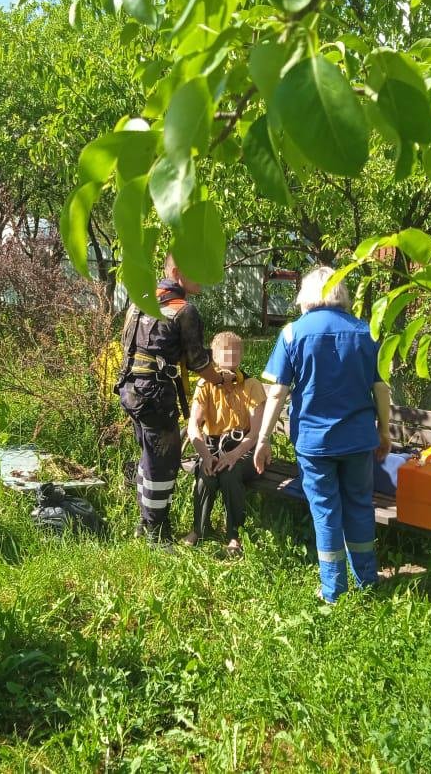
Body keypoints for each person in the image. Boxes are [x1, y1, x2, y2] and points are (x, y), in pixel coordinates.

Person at [254, 266, 392, 603]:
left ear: (306, 295)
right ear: (340, 292)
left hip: (314, 444)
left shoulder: (292, 334)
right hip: (359, 440)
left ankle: (333, 591)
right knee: (360, 506)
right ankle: (367, 581)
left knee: (326, 512)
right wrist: (385, 431)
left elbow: (277, 393)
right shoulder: (366, 332)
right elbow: (381, 388)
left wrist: (263, 439)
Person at [116, 255, 236, 547]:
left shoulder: (141, 299)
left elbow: (126, 343)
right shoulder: (185, 311)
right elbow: (198, 363)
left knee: (148, 458)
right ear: (178, 272)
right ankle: (157, 535)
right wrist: (221, 379)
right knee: (163, 464)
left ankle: (145, 523)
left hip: (129, 390)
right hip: (155, 396)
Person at [183, 332, 267, 554]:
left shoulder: (252, 385)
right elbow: (194, 425)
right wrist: (206, 455)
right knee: (206, 474)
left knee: (231, 473)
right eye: (225, 350)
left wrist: (234, 454)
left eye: (236, 351)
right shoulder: (205, 385)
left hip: (245, 448)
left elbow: (256, 432)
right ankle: (200, 529)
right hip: (213, 446)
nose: (231, 355)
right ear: (214, 356)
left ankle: (234, 535)